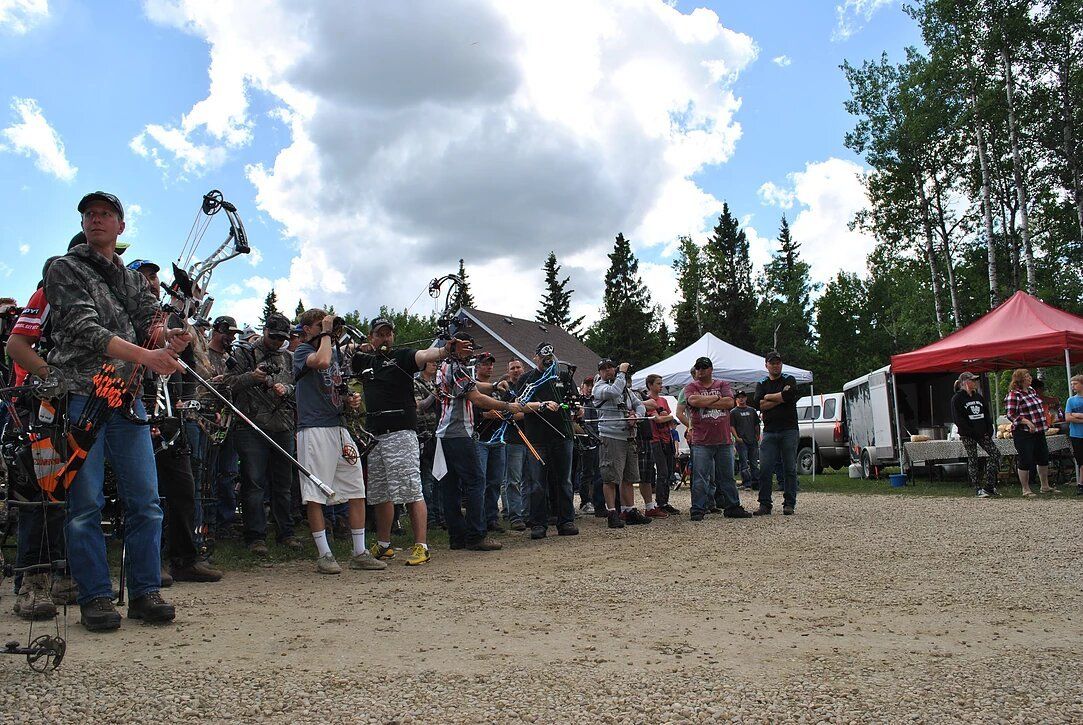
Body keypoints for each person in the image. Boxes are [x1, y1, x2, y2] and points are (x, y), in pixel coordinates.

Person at [45, 191, 188, 630]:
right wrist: (147, 357)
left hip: (126, 400)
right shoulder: (63, 267)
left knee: (146, 499)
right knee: (85, 502)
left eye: (106, 214)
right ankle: (95, 597)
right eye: (90, 214)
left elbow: (151, 321)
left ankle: (145, 591)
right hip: (82, 395)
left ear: (121, 226)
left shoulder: (130, 279)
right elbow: (84, 328)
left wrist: (172, 338)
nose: (96, 219)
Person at [130, 260, 223, 585]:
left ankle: (184, 559)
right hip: (137, 413)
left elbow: (182, 362)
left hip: (170, 417)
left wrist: (183, 402)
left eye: (155, 276)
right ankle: (149, 563)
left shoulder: (167, 318)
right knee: (145, 494)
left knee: (184, 489)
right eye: (144, 276)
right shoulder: (132, 317)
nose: (153, 281)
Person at [349, 317, 449, 566]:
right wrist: (357, 347)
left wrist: (446, 349)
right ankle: (384, 545)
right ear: (372, 337)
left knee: (411, 489)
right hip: (375, 435)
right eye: (379, 334)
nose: (385, 338)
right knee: (380, 493)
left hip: (401, 433)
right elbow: (343, 352)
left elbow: (425, 354)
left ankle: (421, 546)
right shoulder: (364, 360)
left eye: (388, 334)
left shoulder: (403, 356)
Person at [292, 309, 386, 574]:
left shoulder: (333, 351)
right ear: (309, 329)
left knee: (356, 487)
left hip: (338, 426)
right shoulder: (301, 351)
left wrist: (350, 400)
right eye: (321, 325)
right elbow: (320, 362)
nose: (330, 330)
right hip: (313, 429)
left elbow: (335, 383)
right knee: (316, 494)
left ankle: (359, 551)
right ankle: (324, 554)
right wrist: (325, 332)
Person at [433, 332, 542, 550]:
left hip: (444, 434)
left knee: (451, 486)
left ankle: (458, 537)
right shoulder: (457, 368)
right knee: (476, 482)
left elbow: (473, 386)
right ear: (458, 346)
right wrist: (507, 406)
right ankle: (476, 535)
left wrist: (494, 386)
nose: (472, 352)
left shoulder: (445, 366)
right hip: (459, 434)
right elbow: (476, 398)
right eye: (469, 347)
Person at [224, 312, 300, 554]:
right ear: (265, 330)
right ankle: (255, 536)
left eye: (282, 338)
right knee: (253, 482)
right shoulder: (244, 353)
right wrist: (251, 377)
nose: (277, 341)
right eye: (274, 336)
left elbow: (299, 388)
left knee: (283, 483)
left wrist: (286, 388)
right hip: (250, 426)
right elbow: (226, 384)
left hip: (283, 424)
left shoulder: (289, 358)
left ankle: (285, 532)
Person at [518, 342, 578, 540]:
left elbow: (575, 403)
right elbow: (519, 405)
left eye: (551, 356)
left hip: (563, 435)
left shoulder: (563, 376)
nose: (547, 360)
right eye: (543, 357)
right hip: (537, 439)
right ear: (535, 357)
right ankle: (538, 524)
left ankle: (566, 521)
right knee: (537, 483)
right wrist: (541, 405)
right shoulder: (527, 379)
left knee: (564, 481)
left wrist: (578, 409)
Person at [683, 357, 750, 521]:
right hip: (701, 441)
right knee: (700, 477)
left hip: (724, 440)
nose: (700, 371)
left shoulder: (722, 384)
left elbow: (729, 403)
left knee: (727, 476)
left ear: (711, 369)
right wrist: (716, 399)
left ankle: (732, 506)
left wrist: (705, 402)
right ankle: (698, 508)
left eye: (704, 368)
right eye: (698, 368)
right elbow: (693, 400)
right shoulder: (691, 386)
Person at [593, 359, 652, 528]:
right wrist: (622, 373)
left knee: (629, 477)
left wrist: (636, 417)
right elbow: (613, 392)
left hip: (628, 436)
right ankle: (612, 512)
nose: (608, 371)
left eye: (610, 368)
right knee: (610, 477)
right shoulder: (600, 387)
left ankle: (629, 510)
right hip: (610, 436)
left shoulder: (624, 388)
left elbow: (639, 404)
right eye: (603, 369)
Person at [754, 351, 800, 516]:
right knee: (765, 468)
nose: (775, 365)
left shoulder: (789, 379)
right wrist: (781, 398)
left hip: (789, 429)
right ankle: (765, 504)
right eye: (772, 363)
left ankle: (789, 504)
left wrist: (769, 397)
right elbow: (759, 404)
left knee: (789, 468)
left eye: (778, 363)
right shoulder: (762, 382)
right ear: (766, 365)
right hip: (770, 430)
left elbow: (790, 395)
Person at [1004, 369, 1057, 495]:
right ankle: (1025, 489)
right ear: (1020, 380)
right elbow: (1011, 414)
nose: (1029, 378)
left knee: (1043, 457)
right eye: (1027, 376)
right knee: (1026, 459)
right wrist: (1026, 422)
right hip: (1023, 432)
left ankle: (1045, 486)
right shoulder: (1014, 395)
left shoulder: (1032, 391)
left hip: (1039, 430)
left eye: (1029, 376)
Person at [473, 352, 509, 533]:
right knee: (480, 481)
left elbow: (508, 406)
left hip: (498, 438)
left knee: (495, 481)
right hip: (480, 438)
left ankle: (492, 518)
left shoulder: (498, 389)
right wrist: (484, 414)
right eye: (485, 364)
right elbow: (470, 409)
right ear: (477, 366)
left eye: (491, 364)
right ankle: (478, 519)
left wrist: (503, 413)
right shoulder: (472, 387)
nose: (489, 367)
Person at [950, 372, 1001, 498]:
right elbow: (959, 420)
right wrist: (972, 432)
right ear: (965, 383)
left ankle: (989, 486)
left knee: (995, 454)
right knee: (973, 458)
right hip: (968, 434)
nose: (975, 382)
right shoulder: (957, 399)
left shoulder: (978, 397)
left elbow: (987, 414)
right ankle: (977, 488)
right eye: (972, 380)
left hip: (983, 433)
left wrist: (989, 430)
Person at [645, 374, 679, 515]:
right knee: (662, 472)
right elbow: (658, 419)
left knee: (668, 472)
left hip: (667, 438)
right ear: (650, 385)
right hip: (655, 439)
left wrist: (667, 417)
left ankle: (665, 501)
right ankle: (660, 502)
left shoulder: (664, 400)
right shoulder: (648, 401)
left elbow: (670, 421)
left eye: (661, 383)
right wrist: (669, 417)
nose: (661, 386)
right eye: (658, 383)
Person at [502, 359, 528, 526]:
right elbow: (507, 414)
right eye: (513, 368)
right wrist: (527, 411)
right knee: (513, 480)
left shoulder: (529, 387)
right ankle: (515, 516)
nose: (516, 370)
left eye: (518, 367)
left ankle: (527, 513)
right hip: (513, 440)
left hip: (532, 439)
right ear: (508, 371)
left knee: (530, 479)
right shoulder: (505, 390)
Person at [730, 391, 760, 491]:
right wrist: (737, 437)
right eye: (739, 398)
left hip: (753, 440)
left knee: (754, 463)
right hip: (741, 441)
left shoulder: (752, 410)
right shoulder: (733, 412)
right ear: (736, 399)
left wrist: (758, 435)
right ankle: (747, 483)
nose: (741, 399)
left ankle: (756, 483)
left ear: (746, 398)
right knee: (744, 463)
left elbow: (757, 424)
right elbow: (731, 426)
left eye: (743, 397)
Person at [1064, 374, 1083, 495]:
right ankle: (1081, 484)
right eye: (1071, 384)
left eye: (1075, 384)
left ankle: (1081, 483)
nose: (1073, 386)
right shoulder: (1071, 400)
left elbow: (1072, 415)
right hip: (1076, 434)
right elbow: (1067, 417)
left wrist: (1077, 415)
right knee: (1080, 460)